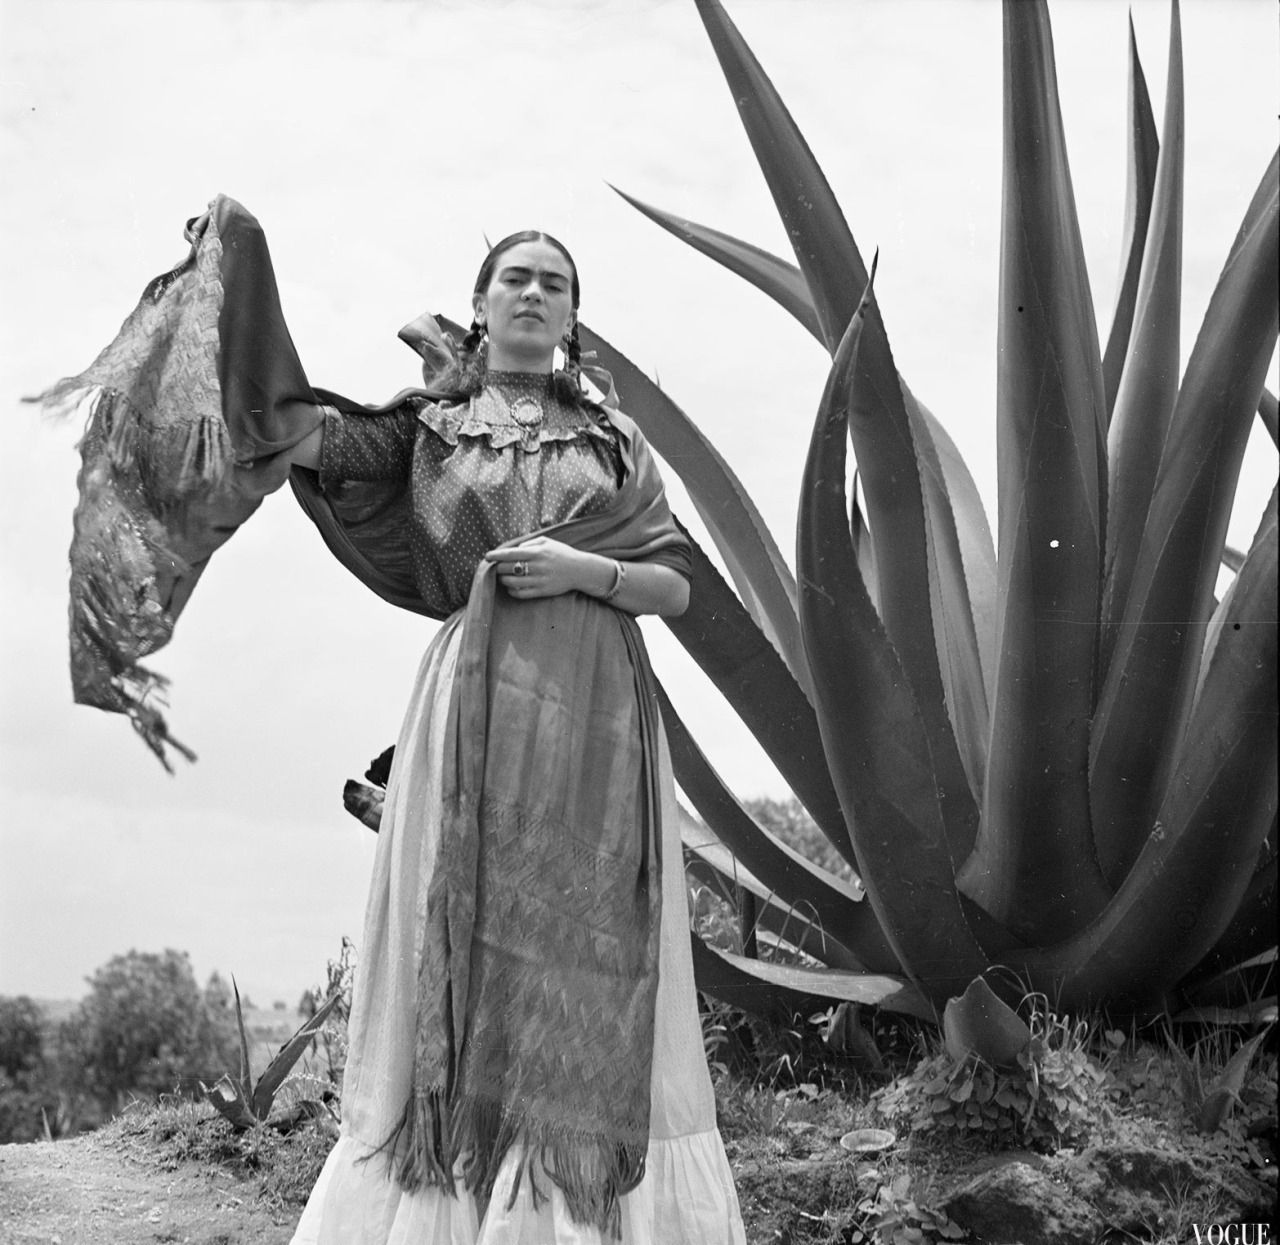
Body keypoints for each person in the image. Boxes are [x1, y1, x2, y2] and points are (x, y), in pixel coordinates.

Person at [276, 231, 746, 1243]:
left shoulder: (612, 435)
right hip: (474, 699)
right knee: (474, 916)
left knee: (579, 934)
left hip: (598, 713)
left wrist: (586, 573)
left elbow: (673, 582)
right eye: (514, 279)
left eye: (555, 283)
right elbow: (311, 442)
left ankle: (562, 1207)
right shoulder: (430, 428)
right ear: (479, 305)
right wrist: (235, 333)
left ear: (572, 316)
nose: (534, 293)